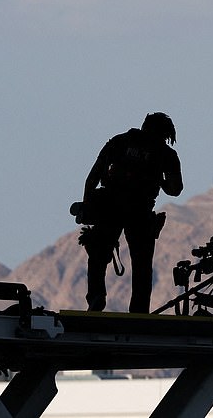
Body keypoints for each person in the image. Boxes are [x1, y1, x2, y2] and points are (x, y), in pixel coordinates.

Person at [81, 112, 183, 313]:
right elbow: (175, 189)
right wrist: (158, 179)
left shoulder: (119, 142)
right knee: (142, 265)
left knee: (98, 255)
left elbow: (93, 176)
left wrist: (87, 205)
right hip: (140, 211)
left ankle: (96, 297)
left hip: (110, 206)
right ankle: (139, 311)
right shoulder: (165, 154)